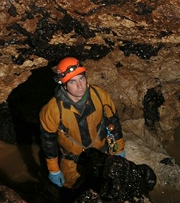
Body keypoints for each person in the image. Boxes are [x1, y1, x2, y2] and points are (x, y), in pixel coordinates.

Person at [39, 56, 125, 188]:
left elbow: (113, 122)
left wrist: (119, 149)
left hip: (102, 154)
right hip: (72, 161)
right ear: (64, 86)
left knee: (110, 187)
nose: (80, 86)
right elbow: (48, 142)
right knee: (72, 192)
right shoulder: (52, 110)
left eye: (82, 79)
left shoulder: (99, 96)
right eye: (73, 82)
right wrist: (54, 170)